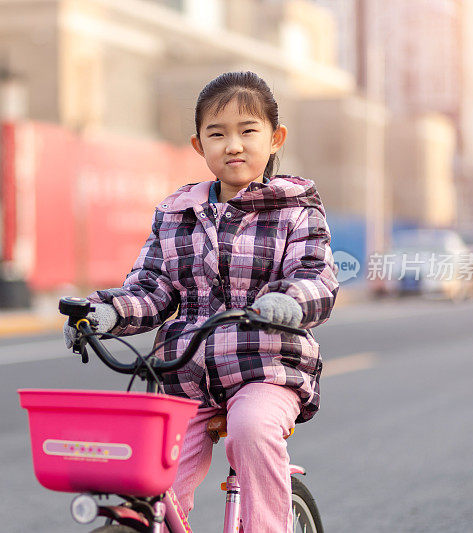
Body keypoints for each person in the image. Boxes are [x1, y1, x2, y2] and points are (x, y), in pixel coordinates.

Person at [64, 71, 339, 532]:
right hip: (186, 377)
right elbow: (152, 287)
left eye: (248, 130)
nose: (233, 145)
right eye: (218, 134)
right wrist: (107, 313)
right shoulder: (176, 214)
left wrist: (290, 302)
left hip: (265, 369)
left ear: (275, 139)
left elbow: (316, 275)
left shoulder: (297, 210)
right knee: (152, 480)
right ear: (198, 146)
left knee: (251, 431)